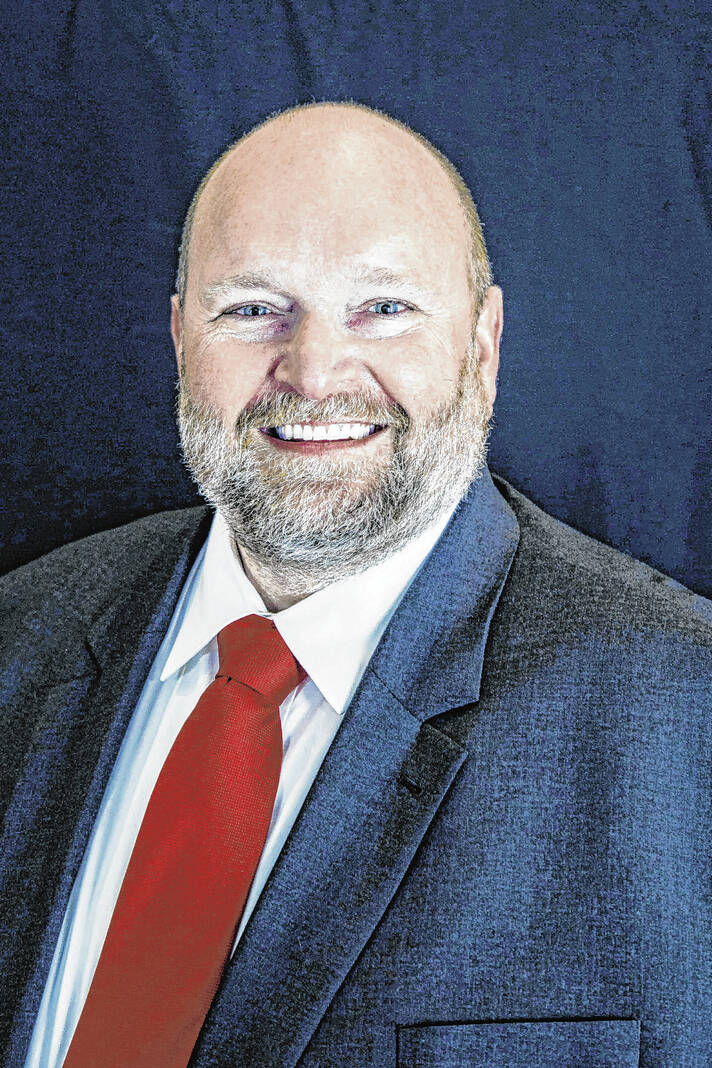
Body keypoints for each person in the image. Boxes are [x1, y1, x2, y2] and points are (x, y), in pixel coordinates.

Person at [1, 101, 711, 1068]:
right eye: (253, 309)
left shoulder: (682, 718)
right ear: (179, 339)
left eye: (383, 309)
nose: (314, 373)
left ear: (483, 343)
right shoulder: (21, 636)